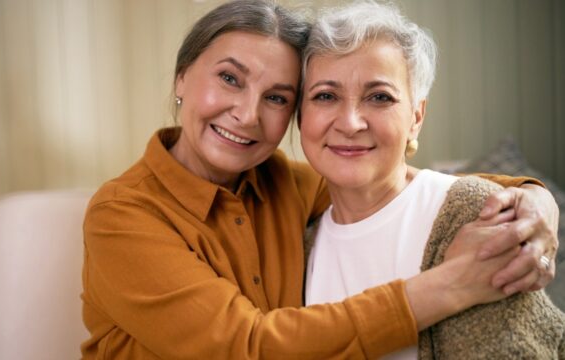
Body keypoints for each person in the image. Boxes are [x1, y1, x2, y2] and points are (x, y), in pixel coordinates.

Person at [81, 0, 560, 358]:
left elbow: (387, 181)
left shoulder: (284, 183)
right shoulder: (122, 214)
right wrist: (449, 286)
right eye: (229, 78)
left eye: (276, 98)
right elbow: (246, 347)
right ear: (182, 77)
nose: (247, 114)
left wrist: (533, 198)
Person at [300, 1, 565, 359]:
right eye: (325, 96)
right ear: (301, 115)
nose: (350, 122)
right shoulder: (300, 239)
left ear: (416, 116)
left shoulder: (475, 213)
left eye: (379, 97)